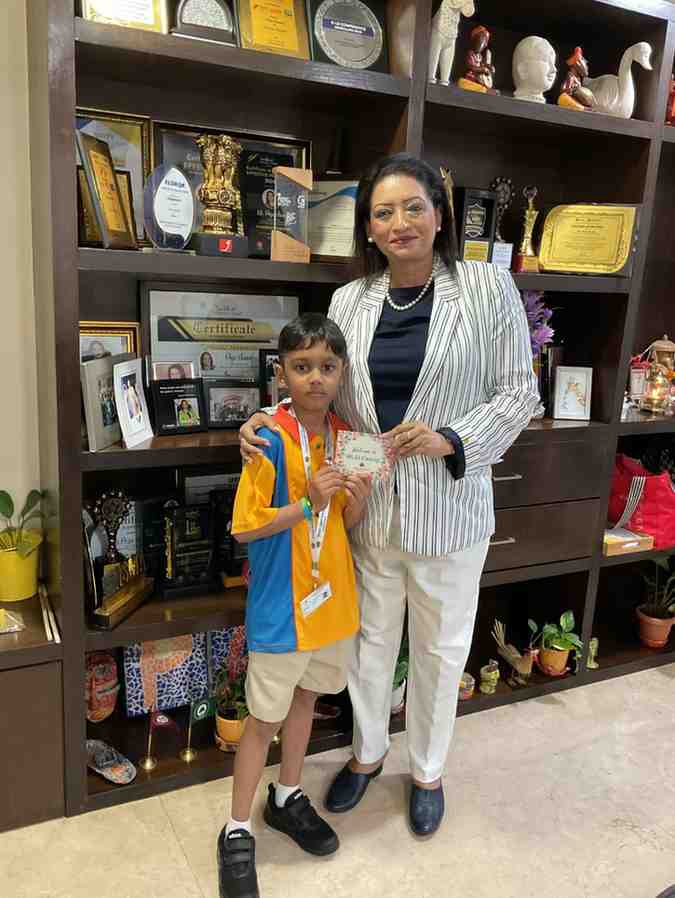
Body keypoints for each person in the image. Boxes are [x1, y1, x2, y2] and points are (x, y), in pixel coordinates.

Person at [240, 153, 538, 838]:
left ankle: (427, 769)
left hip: (449, 512)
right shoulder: (350, 301)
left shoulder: (487, 288)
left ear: (439, 214)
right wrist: (263, 418)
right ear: (368, 228)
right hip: (366, 507)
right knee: (368, 643)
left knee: (439, 650)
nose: (399, 222)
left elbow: (519, 393)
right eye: (383, 212)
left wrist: (450, 438)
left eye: (413, 207)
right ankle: (367, 754)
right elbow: (320, 388)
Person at [219, 313, 373, 898]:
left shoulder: (348, 437)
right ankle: (236, 829)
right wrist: (308, 503)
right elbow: (245, 527)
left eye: (327, 367)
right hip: (281, 608)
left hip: (330, 604)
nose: (315, 378)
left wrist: (357, 500)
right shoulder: (267, 437)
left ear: (341, 373)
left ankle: (285, 796)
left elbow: (346, 524)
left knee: (307, 698)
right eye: (302, 367)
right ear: (281, 373)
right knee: (263, 721)